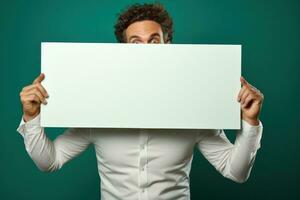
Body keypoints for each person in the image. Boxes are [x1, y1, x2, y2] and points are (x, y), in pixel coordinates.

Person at [17, 3, 264, 200]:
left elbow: (236, 171)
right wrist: (32, 117)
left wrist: (250, 122)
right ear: (123, 50)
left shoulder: (196, 110)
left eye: (154, 41)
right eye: (135, 42)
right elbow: (49, 161)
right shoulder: (95, 108)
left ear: (168, 45)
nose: (146, 49)